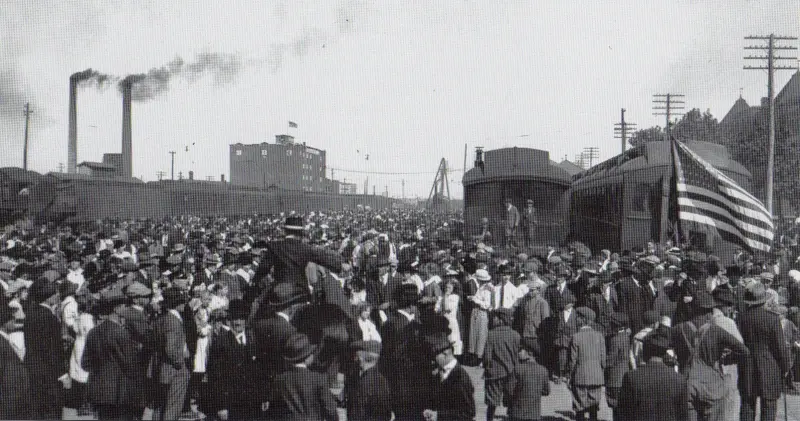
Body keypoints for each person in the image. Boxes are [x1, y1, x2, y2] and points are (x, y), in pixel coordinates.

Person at [82, 290, 143, 420]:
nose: (127, 308)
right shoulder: (121, 333)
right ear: (117, 309)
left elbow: (85, 363)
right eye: (124, 306)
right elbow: (130, 364)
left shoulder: (93, 332)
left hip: (99, 390)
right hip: (120, 391)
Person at [738, 282, 792, 421]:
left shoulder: (742, 318)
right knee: (768, 405)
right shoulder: (772, 318)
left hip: (747, 365)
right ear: (764, 300)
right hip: (769, 367)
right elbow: (780, 347)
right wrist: (785, 367)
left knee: (747, 405)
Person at [618, 329, 689, 421]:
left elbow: (624, 414)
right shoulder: (679, 380)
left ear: (645, 352)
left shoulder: (631, 377)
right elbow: (683, 416)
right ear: (664, 354)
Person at [207, 299, 260, 421]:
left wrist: (263, 397)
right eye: (234, 319)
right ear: (229, 320)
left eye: (241, 318)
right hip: (231, 402)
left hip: (252, 402)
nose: (238, 322)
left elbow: (259, 370)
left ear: (246, 320)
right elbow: (216, 377)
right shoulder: (221, 342)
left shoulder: (253, 339)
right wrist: (221, 406)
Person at [24, 278, 67, 419]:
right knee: (51, 410)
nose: (58, 295)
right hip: (49, 373)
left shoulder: (31, 314)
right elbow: (52, 349)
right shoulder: (49, 317)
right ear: (49, 297)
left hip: (32, 369)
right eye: (55, 293)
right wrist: (62, 373)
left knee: (37, 411)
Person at [269, 332, 339, 421]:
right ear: (307, 358)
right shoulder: (318, 379)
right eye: (311, 353)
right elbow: (330, 410)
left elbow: (273, 410)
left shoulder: (280, 380)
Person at [152, 287, 191, 421]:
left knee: (161, 406)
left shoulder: (162, 319)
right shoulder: (174, 321)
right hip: (174, 369)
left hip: (163, 368)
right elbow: (171, 349)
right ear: (177, 304)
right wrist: (180, 363)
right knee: (173, 407)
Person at [423, 334, 476, 421]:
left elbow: (469, 413)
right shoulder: (440, 374)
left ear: (445, 354)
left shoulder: (460, 378)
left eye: (434, 356)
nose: (433, 360)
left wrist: (438, 416)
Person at [569, 307, 605, 421]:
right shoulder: (599, 336)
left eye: (577, 317)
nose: (576, 319)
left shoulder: (576, 337)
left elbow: (572, 360)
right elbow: (603, 359)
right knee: (594, 405)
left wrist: (569, 376)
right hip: (596, 375)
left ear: (583, 319)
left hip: (580, 376)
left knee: (579, 404)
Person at [483, 308, 520, 421]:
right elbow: (517, 355)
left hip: (495, 374)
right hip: (511, 372)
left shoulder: (491, 334)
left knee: (492, 401)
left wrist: (486, 368)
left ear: (500, 319)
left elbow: (487, 357)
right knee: (511, 399)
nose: (493, 320)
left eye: (494, 317)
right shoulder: (515, 335)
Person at [0, 300, 33, 419]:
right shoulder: (2, 342)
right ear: (4, 323)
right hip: (9, 393)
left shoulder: (5, 339)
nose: (15, 321)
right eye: (12, 319)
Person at [345, 340, 392, 421]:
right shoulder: (382, 379)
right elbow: (387, 414)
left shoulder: (364, 382)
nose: (354, 359)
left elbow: (357, 414)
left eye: (356, 356)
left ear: (361, 358)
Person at [506, 337, 549, 421]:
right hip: (534, 414)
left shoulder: (517, 368)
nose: (518, 353)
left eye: (521, 350)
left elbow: (509, 390)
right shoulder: (543, 370)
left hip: (517, 413)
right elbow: (546, 391)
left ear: (529, 353)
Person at [604, 312, 630, 421]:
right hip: (624, 375)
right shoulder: (626, 337)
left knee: (615, 406)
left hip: (614, 378)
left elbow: (611, 359)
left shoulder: (615, 340)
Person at [439, 278, 463, 356]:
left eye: (449, 287)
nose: (447, 289)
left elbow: (447, 308)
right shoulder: (442, 297)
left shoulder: (455, 297)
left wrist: (445, 297)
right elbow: (437, 308)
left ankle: (455, 357)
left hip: (451, 320)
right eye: (446, 287)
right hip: (443, 319)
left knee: (453, 339)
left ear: (453, 288)